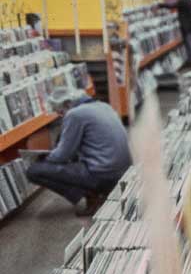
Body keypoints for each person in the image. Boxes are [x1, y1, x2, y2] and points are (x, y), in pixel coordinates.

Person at [25, 87, 131, 216]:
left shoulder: (75, 114)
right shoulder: (103, 106)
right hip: (124, 172)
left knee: (34, 171)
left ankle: (92, 195)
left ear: (67, 104)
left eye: (60, 112)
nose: (61, 116)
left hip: (103, 175)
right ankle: (96, 193)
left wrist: (41, 157)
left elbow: (61, 156)